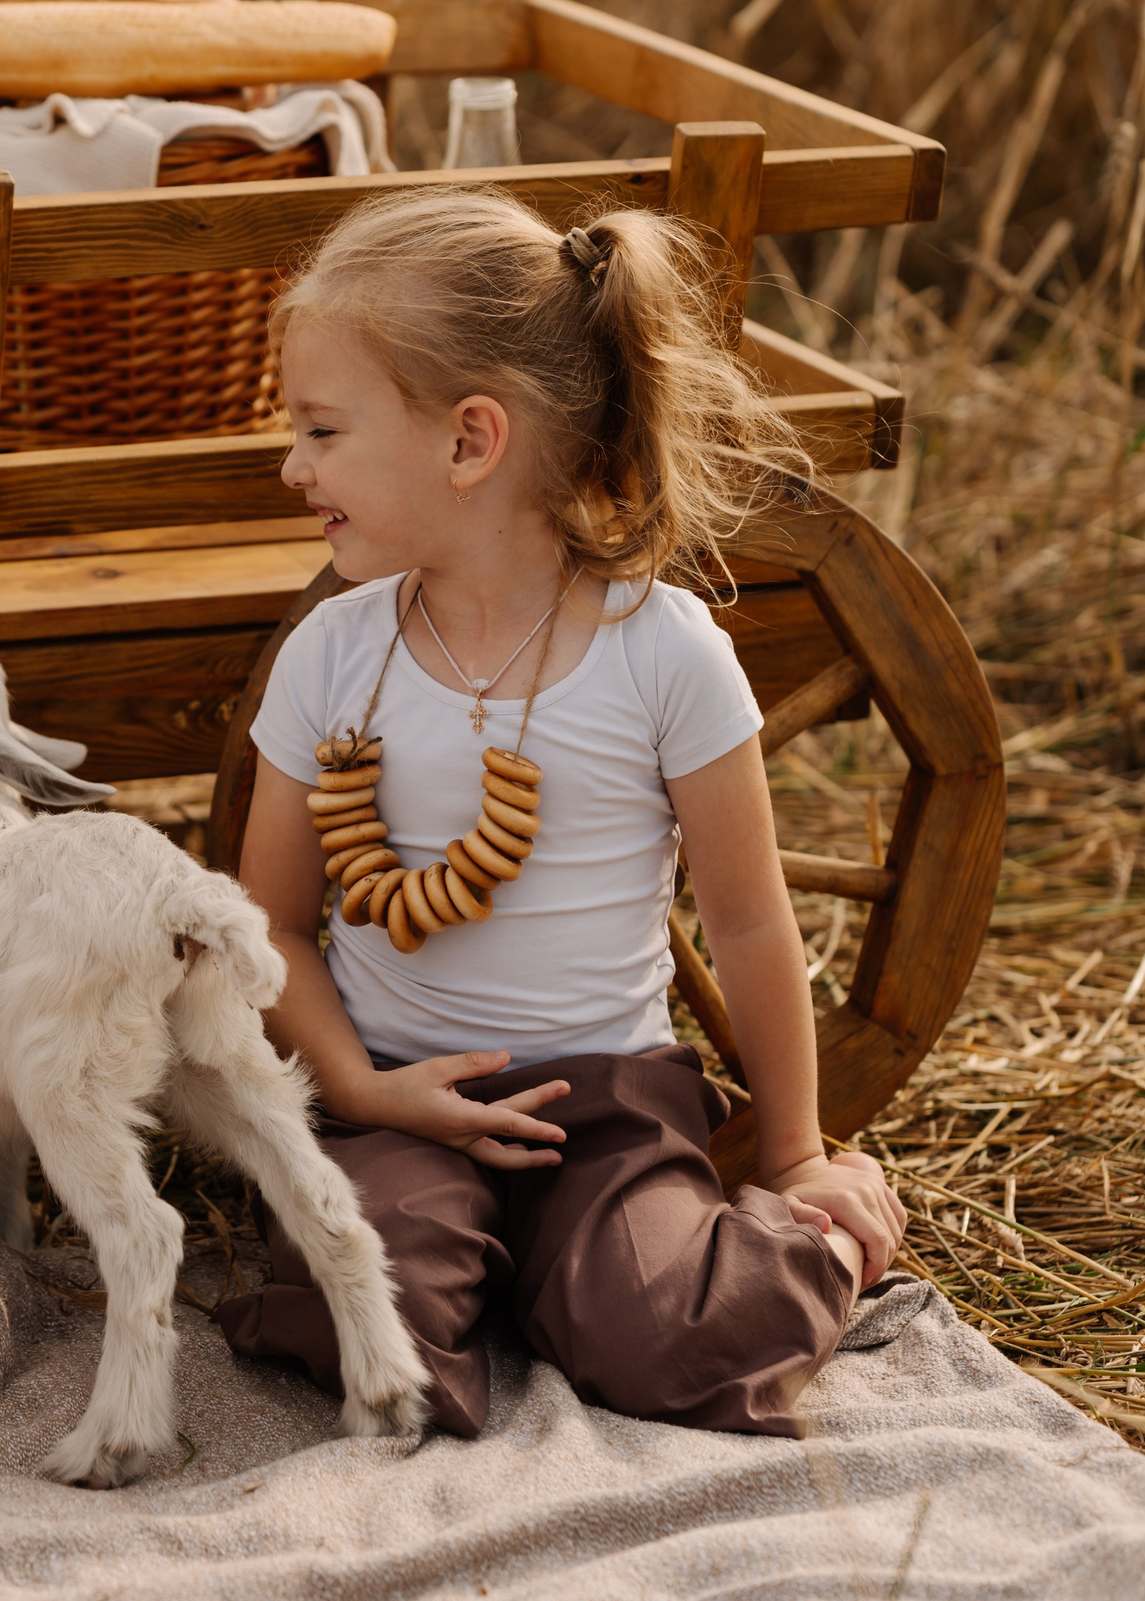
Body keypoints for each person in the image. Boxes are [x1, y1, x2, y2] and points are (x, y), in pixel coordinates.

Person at [216, 190, 908, 1440]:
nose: (289, 466)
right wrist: (364, 1096)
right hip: (392, 1088)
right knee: (365, 1317)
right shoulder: (332, 652)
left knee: (680, 1340)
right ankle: (494, 1276)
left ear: (470, 440)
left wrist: (796, 1150)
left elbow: (749, 924)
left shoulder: (661, 654)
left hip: (605, 1103)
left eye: (321, 428)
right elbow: (271, 923)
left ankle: (663, 1266)